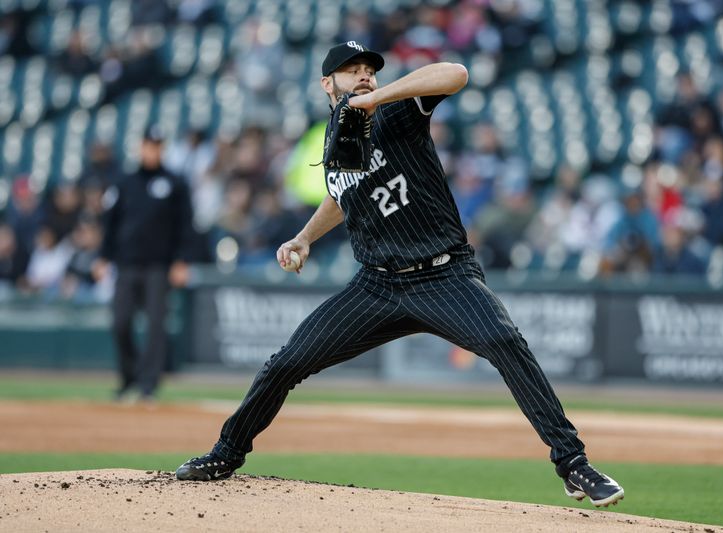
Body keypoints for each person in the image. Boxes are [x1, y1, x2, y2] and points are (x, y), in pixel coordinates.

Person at [175, 42, 625, 508]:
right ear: (328, 84)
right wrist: (305, 237)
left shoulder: (395, 113)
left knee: (506, 342)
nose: (365, 75)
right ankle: (225, 453)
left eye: (369, 69)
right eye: (352, 71)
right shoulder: (334, 135)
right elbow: (342, 192)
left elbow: (455, 73)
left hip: (444, 274)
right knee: (286, 363)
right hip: (377, 284)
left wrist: (377, 97)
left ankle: (574, 465)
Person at [93, 125, 194, 402]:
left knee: (155, 326)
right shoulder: (124, 182)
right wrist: (102, 257)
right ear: (141, 146)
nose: (152, 150)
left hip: (159, 266)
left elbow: (185, 225)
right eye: (149, 144)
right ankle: (129, 377)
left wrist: (182, 261)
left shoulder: (175, 183)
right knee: (120, 322)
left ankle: (148, 384)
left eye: (158, 145)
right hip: (126, 264)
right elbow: (110, 224)